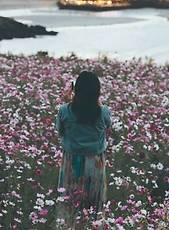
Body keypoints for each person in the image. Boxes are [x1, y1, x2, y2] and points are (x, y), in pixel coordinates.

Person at [55, 71, 112, 228]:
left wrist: (69, 100)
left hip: (72, 163)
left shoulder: (64, 110)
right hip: (95, 163)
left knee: (70, 202)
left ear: (76, 90)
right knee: (94, 204)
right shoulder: (103, 112)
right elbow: (108, 127)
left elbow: (60, 131)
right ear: (97, 92)